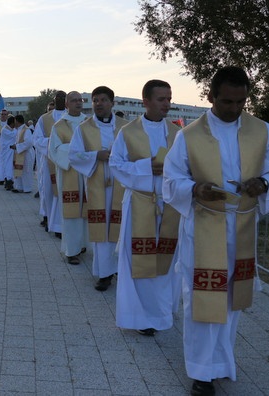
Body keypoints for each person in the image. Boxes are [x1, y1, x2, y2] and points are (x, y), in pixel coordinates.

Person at [163, 66, 269, 395]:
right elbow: (172, 180)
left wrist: (264, 182)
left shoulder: (264, 131)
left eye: (242, 101)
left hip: (243, 224)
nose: (235, 108)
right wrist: (196, 190)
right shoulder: (189, 135)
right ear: (210, 96)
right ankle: (201, 372)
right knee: (201, 298)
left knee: (230, 298)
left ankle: (222, 362)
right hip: (204, 225)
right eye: (227, 101)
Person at [109, 80, 180, 337]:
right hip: (140, 202)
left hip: (169, 206)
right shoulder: (127, 132)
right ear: (146, 102)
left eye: (169, 99)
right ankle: (141, 316)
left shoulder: (177, 133)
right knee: (138, 261)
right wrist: (145, 167)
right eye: (161, 99)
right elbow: (116, 166)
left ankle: (162, 311)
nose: (167, 104)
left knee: (165, 261)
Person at [69, 86, 128, 291]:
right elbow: (74, 155)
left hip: (122, 186)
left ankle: (121, 269)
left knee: (121, 228)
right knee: (102, 230)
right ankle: (104, 274)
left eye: (103, 100)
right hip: (97, 185)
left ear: (112, 103)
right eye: (95, 100)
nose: (99, 104)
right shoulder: (83, 129)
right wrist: (96, 156)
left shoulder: (126, 127)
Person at [48, 91, 89, 264]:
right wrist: (75, 152)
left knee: (88, 211)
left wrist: (80, 152)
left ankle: (84, 244)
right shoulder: (58, 126)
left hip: (88, 174)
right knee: (72, 213)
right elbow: (54, 151)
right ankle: (72, 251)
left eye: (80, 100)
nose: (78, 103)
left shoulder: (89, 123)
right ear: (67, 104)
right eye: (74, 100)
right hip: (69, 174)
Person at [34, 92, 67, 234]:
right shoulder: (44, 118)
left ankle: (62, 223)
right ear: (54, 100)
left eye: (62, 98)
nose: (59, 100)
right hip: (49, 161)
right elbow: (37, 139)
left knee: (63, 192)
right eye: (57, 98)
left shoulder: (72, 117)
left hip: (67, 162)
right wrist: (53, 143)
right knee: (48, 190)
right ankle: (48, 217)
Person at [11, 115, 35, 193]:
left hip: (27, 154)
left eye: (15, 121)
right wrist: (15, 145)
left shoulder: (26, 130)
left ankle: (27, 188)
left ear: (17, 121)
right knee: (19, 169)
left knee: (26, 171)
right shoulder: (19, 130)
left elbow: (29, 143)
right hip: (20, 153)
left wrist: (17, 146)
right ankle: (19, 187)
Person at [0, 115, 17, 190]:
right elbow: (13, 135)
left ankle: (9, 181)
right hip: (6, 151)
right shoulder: (5, 130)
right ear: (11, 123)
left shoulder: (9, 129)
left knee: (9, 166)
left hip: (10, 151)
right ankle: (8, 182)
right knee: (8, 166)